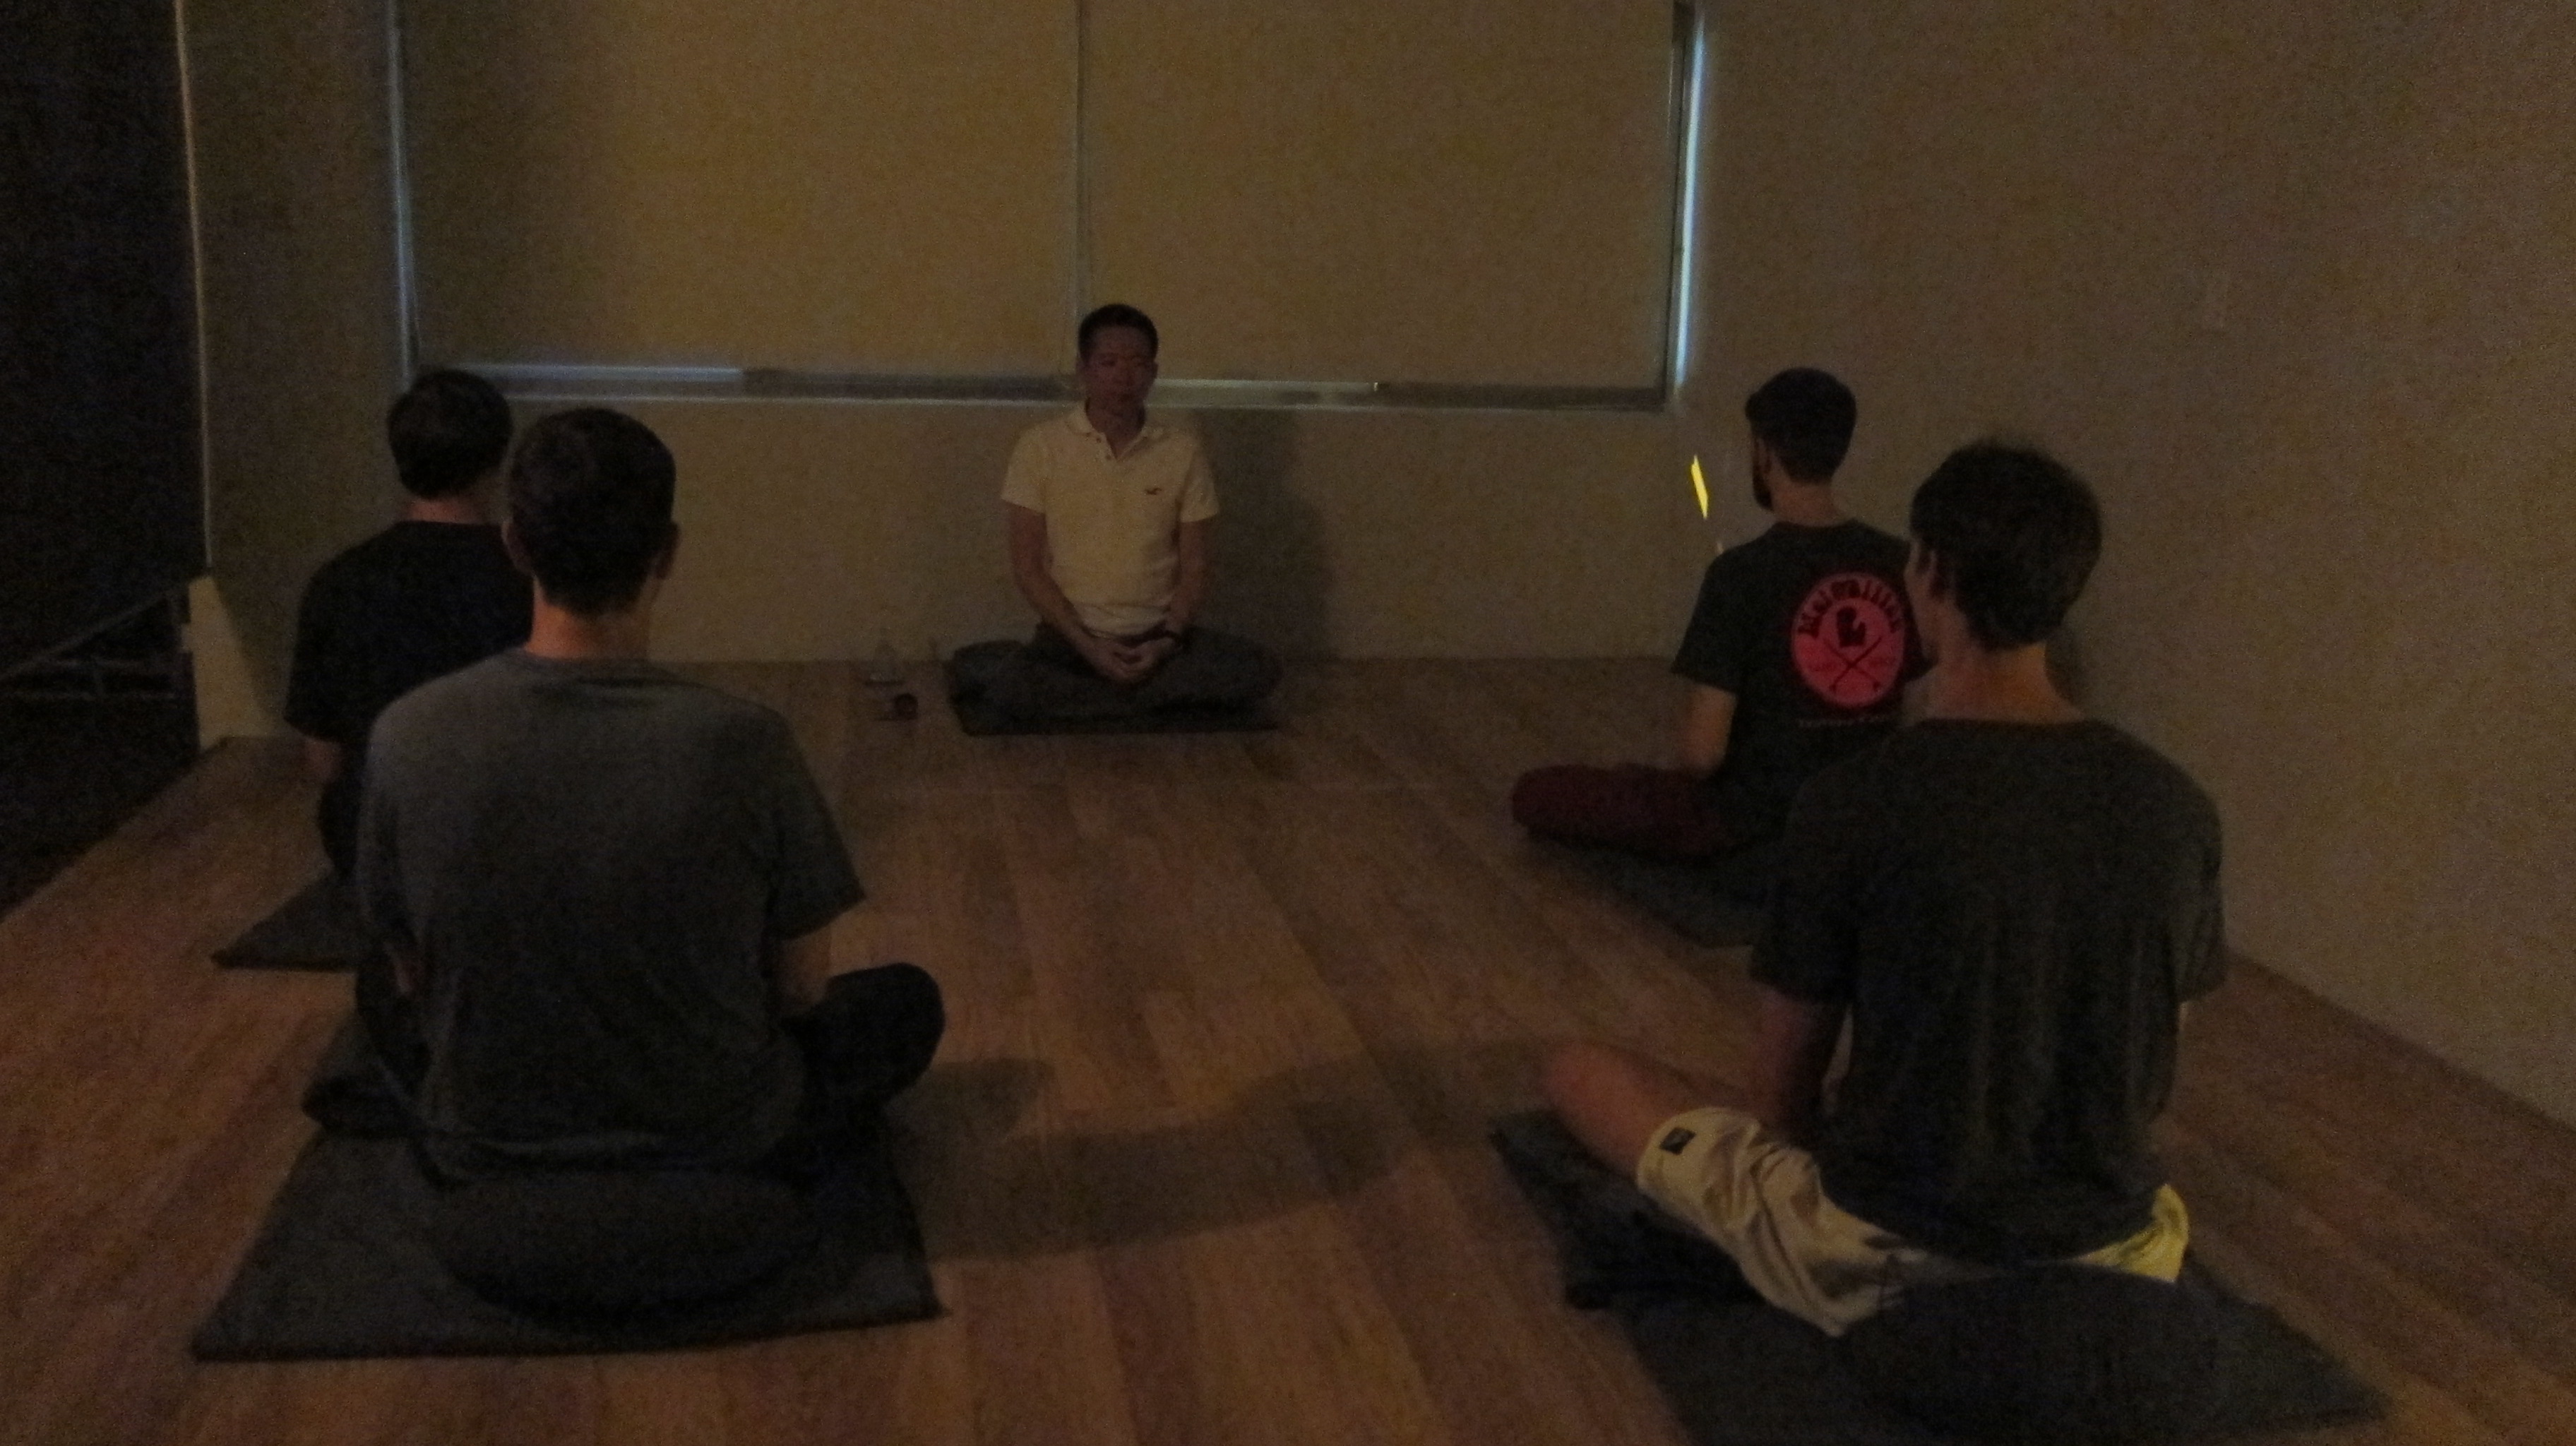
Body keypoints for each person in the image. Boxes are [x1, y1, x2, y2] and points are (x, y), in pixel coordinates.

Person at [1540, 441, 2225, 1337]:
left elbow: (1781, 1103)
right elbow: (2147, 1068)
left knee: (1580, 1070)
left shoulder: (1855, 800)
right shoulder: (2176, 806)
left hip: (1885, 1259)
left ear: (1930, 571)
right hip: (2120, 1255)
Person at [354, 407, 942, 1191]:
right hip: (717, 1141)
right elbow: (801, 988)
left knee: (372, 994)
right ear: (668, 551)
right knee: (904, 1003)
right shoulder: (745, 741)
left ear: (515, 544)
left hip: (487, 1141)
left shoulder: (408, 731)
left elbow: (408, 973)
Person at [1512, 368, 1916, 868]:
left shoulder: (1741, 574)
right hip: (1858, 818)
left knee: (1538, 793)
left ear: (1764, 452)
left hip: (1745, 822)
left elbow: (1702, 755)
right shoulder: (1899, 563)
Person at [953, 303, 1282, 720]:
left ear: (1153, 373)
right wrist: (1088, 646)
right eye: (1109, 363)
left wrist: (1166, 641)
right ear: (1084, 370)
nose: (1124, 377)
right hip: (1072, 638)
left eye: (1138, 364)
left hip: (1158, 638)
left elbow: (1196, 565)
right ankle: (1135, 698)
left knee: (1257, 670)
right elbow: (1028, 567)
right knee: (1011, 687)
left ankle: (1107, 697)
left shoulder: (1181, 451)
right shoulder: (1040, 446)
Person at [284, 369, 531, 878]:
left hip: (373, 839)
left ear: (401, 459)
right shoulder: (531, 581)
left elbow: (323, 762)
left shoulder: (338, 582)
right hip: (498, 840)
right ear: (495, 461)